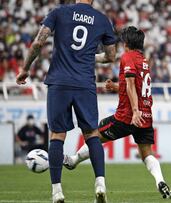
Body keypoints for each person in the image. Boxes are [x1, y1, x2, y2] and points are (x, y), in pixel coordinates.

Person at [15, 0, 117, 202]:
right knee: (92, 134)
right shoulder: (102, 19)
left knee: (57, 135)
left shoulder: (59, 13)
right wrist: (88, 56)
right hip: (85, 84)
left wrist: (26, 68)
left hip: (59, 82)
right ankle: (100, 184)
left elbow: (38, 42)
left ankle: (57, 191)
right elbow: (111, 56)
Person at [63, 26, 171, 199]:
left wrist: (135, 111)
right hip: (146, 116)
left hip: (128, 115)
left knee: (93, 134)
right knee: (147, 153)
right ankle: (160, 181)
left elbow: (131, 85)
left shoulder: (127, 57)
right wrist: (116, 86)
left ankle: (73, 161)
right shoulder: (143, 61)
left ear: (126, 43)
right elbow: (135, 85)